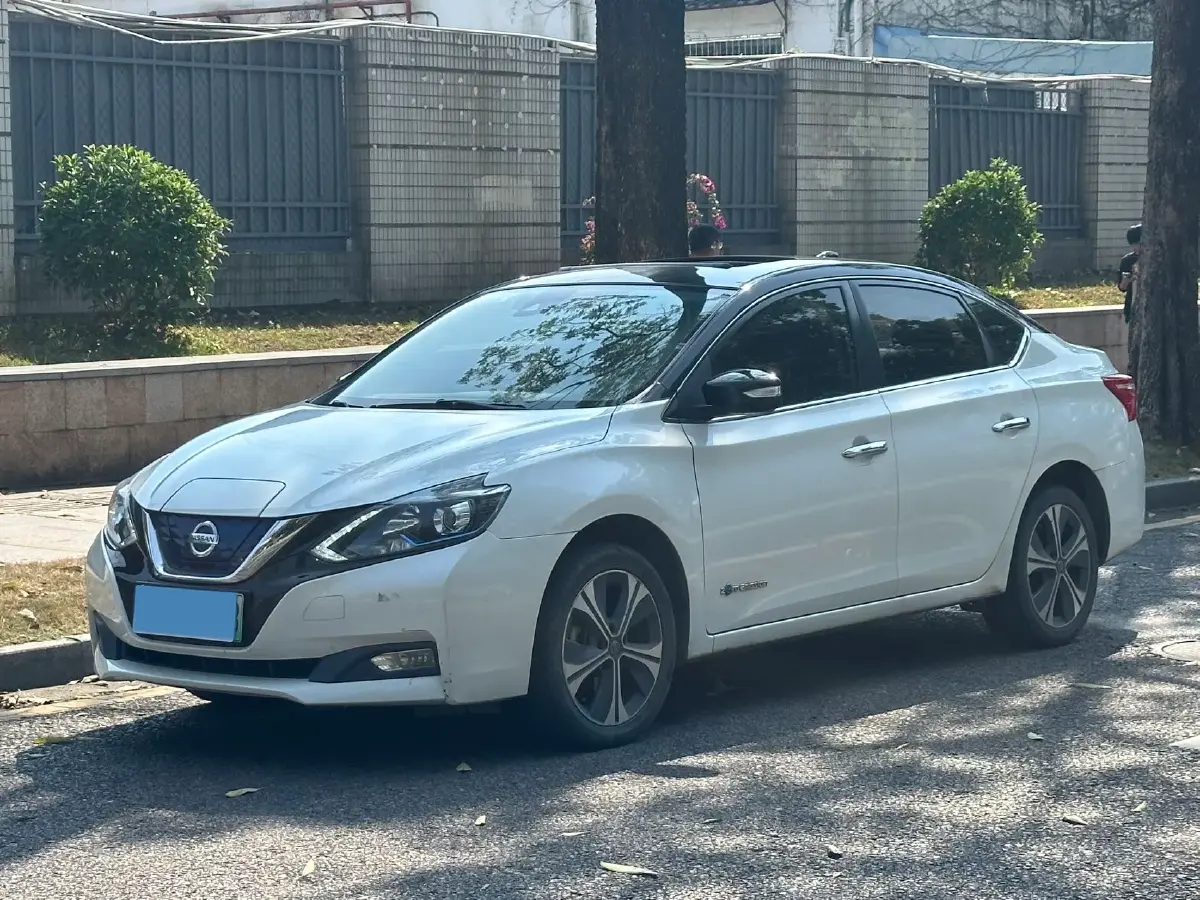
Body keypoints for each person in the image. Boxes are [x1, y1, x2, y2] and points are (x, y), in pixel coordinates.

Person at [1118, 223, 1142, 324]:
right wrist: (1126, 280)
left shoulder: (1153, 258)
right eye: (1132, 244)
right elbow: (1122, 288)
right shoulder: (1127, 260)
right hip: (1131, 305)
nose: (1134, 247)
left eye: (1137, 243)